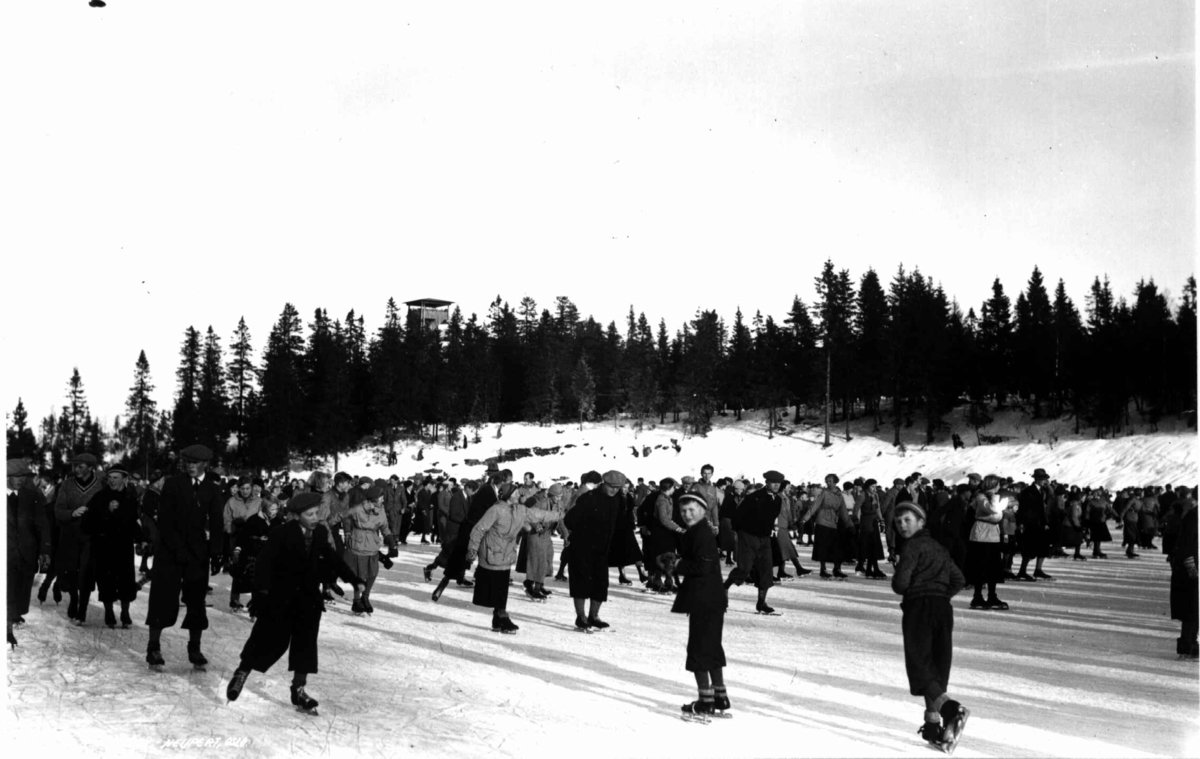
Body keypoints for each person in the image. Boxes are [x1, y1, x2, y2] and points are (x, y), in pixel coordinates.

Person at [225, 493, 366, 713]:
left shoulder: (319, 532)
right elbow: (264, 564)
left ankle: (298, 690)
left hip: (309, 599)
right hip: (281, 598)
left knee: (305, 645)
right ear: (295, 515)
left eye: (317, 513)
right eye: (309, 514)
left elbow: (332, 559)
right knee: (267, 640)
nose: (315, 517)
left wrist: (354, 579)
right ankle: (242, 672)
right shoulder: (281, 533)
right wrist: (260, 595)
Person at [891, 501, 969, 752]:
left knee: (920, 664)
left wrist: (906, 578)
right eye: (899, 521)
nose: (902, 525)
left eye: (907, 520)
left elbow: (901, 584)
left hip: (919, 610)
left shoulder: (912, 546)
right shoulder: (939, 548)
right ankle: (935, 726)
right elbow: (958, 579)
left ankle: (950, 709)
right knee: (936, 666)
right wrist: (940, 594)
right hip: (942, 609)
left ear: (921, 522)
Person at [143, 444, 223, 671]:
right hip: (170, 551)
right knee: (162, 598)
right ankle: (153, 647)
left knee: (196, 601)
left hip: (198, 553)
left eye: (195, 463)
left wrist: (216, 552)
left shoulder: (212, 489)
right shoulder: (172, 484)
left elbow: (217, 522)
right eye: (187, 462)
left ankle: (194, 648)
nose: (190, 466)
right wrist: (176, 548)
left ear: (205, 464)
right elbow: (165, 521)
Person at [665, 493, 731, 722]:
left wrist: (677, 563)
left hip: (704, 598)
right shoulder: (700, 531)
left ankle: (706, 702)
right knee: (711, 647)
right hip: (711, 597)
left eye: (692, 510)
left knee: (699, 650)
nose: (687, 514)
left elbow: (701, 565)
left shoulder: (700, 532)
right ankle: (720, 696)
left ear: (703, 510)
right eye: (683, 511)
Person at [465, 484, 559, 633]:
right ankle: (501, 616)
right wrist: (472, 550)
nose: (519, 495)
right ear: (508, 495)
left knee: (501, 587)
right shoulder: (495, 510)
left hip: (506, 553)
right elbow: (479, 529)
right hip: (491, 552)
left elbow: (538, 514)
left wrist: (559, 515)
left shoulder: (519, 510)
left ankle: (498, 618)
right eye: (516, 493)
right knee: (496, 587)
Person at [79, 465, 143, 628]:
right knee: (106, 580)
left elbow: (134, 521)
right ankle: (108, 612)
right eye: (110, 478)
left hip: (124, 545)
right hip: (104, 545)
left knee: (126, 580)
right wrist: (107, 511)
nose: (112, 481)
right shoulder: (100, 497)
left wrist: (142, 538)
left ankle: (125, 612)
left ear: (124, 479)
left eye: (116, 477)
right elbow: (88, 522)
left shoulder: (130, 498)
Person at [562, 470, 625, 631]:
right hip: (582, 547)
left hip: (602, 549)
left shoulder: (618, 499)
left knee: (600, 583)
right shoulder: (588, 498)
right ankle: (581, 617)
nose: (615, 490)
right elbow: (569, 520)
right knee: (581, 582)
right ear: (603, 483)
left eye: (618, 487)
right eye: (612, 487)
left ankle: (594, 616)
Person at [53, 453, 104, 624]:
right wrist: (72, 513)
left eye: (80, 466)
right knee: (70, 571)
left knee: (87, 572)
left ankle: (82, 608)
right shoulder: (67, 485)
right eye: (74, 466)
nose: (76, 470)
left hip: (91, 537)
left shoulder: (101, 485)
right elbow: (58, 510)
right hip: (70, 535)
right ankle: (74, 598)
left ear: (91, 468)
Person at [724, 470, 785, 615]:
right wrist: (742, 534)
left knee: (766, 570)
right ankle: (724, 587)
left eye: (778, 483)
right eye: (773, 483)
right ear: (767, 483)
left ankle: (761, 603)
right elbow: (738, 517)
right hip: (748, 536)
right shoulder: (754, 498)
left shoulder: (778, 500)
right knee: (744, 569)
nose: (776, 486)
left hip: (765, 538)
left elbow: (772, 518)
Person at [8, 459, 50, 648]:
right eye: (16, 476)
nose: (21, 480)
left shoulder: (31, 496)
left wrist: (44, 551)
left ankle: (13, 616)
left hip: (26, 553)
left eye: (23, 476)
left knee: (21, 591)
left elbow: (42, 525)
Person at [341, 484, 397, 615]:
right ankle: (356, 601)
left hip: (373, 543)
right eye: (381, 497)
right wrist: (347, 532)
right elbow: (343, 517)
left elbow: (384, 527)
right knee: (359, 574)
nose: (383, 499)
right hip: (358, 543)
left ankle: (365, 597)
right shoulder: (357, 509)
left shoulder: (381, 509)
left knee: (373, 572)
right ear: (374, 498)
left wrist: (392, 543)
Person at [964, 475, 1007, 610]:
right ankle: (977, 597)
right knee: (980, 567)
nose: (999, 487)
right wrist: (995, 498)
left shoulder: (986, 498)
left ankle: (991, 595)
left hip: (992, 535)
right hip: (981, 536)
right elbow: (994, 510)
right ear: (992, 485)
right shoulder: (981, 497)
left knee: (993, 568)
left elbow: (998, 515)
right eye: (998, 485)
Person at [804, 473, 853, 580]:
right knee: (823, 547)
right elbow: (815, 506)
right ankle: (823, 569)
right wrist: (805, 518)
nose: (828, 483)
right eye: (827, 481)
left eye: (830, 481)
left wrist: (850, 524)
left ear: (835, 482)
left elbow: (843, 511)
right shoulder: (824, 493)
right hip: (822, 521)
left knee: (835, 547)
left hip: (833, 523)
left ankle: (837, 569)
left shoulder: (839, 496)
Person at [1169, 492, 1197, 658]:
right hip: (1190, 570)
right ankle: (1188, 646)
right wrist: (1193, 571)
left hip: (1192, 567)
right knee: (1192, 610)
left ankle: (1192, 643)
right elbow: (1186, 546)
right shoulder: (1193, 517)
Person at [646, 478, 685, 593]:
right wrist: (678, 528)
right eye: (673, 487)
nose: (675, 489)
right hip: (661, 532)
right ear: (669, 488)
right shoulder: (662, 500)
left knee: (670, 557)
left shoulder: (668, 498)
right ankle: (657, 582)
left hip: (667, 532)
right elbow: (664, 519)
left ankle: (669, 582)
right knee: (661, 557)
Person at [1015, 468, 1054, 581]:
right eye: (1043, 479)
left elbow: (1044, 507)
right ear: (1036, 479)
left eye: (1045, 479)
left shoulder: (1043, 490)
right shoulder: (1028, 491)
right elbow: (1024, 509)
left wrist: (1045, 522)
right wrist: (1022, 523)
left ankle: (1038, 570)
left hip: (1040, 524)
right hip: (1031, 524)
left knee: (1043, 547)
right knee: (1029, 549)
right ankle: (1022, 571)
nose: (1045, 481)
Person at [853, 479, 887, 579]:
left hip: (873, 522)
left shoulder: (875, 495)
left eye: (875, 486)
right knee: (869, 546)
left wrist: (881, 520)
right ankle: (873, 569)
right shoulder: (862, 495)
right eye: (872, 486)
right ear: (867, 486)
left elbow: (877, 509)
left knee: (874, 546)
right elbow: (856, 510)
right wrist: (857, 521)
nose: (874, 488)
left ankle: (870, 569)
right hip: (866, 522)